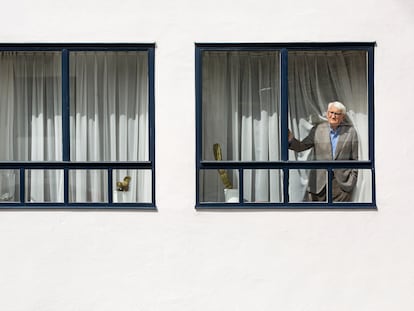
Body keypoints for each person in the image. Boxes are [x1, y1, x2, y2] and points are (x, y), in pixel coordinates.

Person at [288, 101, 358, 202]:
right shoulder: (318, 129)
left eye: (337, 114)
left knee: (340, 216)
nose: (333, 116)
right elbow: (301, 146)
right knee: (315, 216)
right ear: (327, 113)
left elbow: (355, 159)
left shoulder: (350, 132)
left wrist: (351, 180)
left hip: (341, 186)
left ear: (342, 117)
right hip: (318, 185)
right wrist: (290, 139)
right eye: (331, 112)